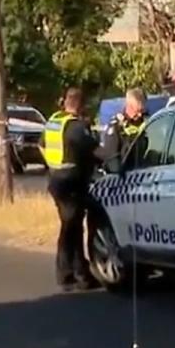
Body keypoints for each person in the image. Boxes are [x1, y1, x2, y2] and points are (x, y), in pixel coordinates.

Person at [42, 88, 103, 291]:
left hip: (56, 181)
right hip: (71, 184)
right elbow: (95, 150)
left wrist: (53, 165)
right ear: (80, 105)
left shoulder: (54, 122)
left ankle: (75, 273)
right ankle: (71, 273)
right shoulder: (76, 128)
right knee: (72, 227)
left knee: (71, 226)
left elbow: (41, 145)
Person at [101, 88, 148, 162]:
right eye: (137, 111)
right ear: (128, 106)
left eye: (142, 110)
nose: (140, 115)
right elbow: (112, 157)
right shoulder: (116, 126)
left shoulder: (148, 121)